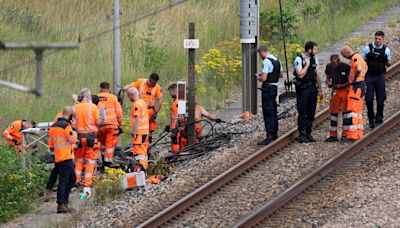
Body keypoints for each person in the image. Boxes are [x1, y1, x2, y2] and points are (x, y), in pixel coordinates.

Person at [48, 106, 78, 213]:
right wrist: (74, 128)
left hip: (58, 157)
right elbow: (73, 139)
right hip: (66, 157)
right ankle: (61, 204)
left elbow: (51, 145)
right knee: (65, 181)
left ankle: (64, 202)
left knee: (71, 179)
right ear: (69, 115)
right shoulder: (66, 126)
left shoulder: (53, 126)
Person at [293, 41, 324, 143]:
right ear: (309, 50)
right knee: (303, 111)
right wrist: (307, 65)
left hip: (312, 87)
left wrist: (320, 89)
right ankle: (302, 134)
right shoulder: (299, 59)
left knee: (311, 111)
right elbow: (300, 75)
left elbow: (317, 75)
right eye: (315, 49)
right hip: (303, 89)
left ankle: (308, 132)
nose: (316, 51)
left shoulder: (315, 59)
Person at [362, 31, 392, 129]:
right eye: (376, 38)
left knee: (380, 99)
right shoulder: (368, 48)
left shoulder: (386, 50)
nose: (377, 41)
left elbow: (389, 63)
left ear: (383, 39)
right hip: (369, 76)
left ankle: (379, 117)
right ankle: (371, 119)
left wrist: (385, 60)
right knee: (369, 99)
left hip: (379, 76)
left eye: (379, 39)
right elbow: (362, 60)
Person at [74, 88, 100, 196]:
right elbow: (98, 123)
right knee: (90, 161)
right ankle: (87, 183)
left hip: (79, 138)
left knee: (79, 160)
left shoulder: (75, 107)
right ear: (88, 96)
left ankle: (76, 180)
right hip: (91, 137)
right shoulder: (93, 107)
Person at [124, 73, 163, 143]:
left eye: (155, 83)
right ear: (149, 79)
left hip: (150, 110)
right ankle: (140, 140)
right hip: (140, 108)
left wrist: (156, 112)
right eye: (152, 83)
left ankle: (148, 144)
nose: (153, 85)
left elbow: (160, 101)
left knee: (149, 128)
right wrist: (123, 89)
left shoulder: (157, 87)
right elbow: (130, 85)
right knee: (139, 126)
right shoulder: (141, 82)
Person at [256, 45, 282, 145]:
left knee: (268, 111)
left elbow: (264, 78)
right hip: (275, 87)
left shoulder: (266, 61)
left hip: (267, 88)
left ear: (262, 52)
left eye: (260, 54)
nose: (260, 56)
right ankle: (275, 132)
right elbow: (281, 74)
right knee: (273, 109)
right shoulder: (276, 60)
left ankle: (269, 134)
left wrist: (259, 77)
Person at [341, 45, 368, 141]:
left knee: (352, 111)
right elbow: (365, 68)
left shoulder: (354, 58)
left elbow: (359, 69)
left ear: (347, 52)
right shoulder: (360, 57)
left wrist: (354, 79)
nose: (345, 58)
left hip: (356, 87)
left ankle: (352, 135)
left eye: (344, 56)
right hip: (361, 85)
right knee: (358, 112)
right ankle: (359, 133)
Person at [325, 54, 351, 142]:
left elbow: (350, 80)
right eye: (332, 63)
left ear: (339, 61)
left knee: (346, 113)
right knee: (333, 113)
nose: (333, 65)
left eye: (334, 63)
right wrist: (328, 82)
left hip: (344, 91)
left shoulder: (346, 67)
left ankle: (345, 135)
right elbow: (327, 77)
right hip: (335, 91)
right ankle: (333, 135)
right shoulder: (329, 67)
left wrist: (342, 85)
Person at [97, 82, 123, 166]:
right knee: (110, 145)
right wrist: (119, 124)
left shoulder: (96, 98)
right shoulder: (113, 98)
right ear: (109, 89)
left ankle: (102, 159)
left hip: (100, 126)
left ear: (100, 88)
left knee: (102, 144)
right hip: (112, 126)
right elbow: (119, 114)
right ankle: (107, 163)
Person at [127, 87, 150, 170]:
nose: (128, 98)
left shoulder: (136, 104)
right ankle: (144, 169)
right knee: (143, 153)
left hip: (139, 133)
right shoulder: (143, 102)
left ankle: (140, 171)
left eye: (128, 96)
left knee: (138, 153)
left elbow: (137, 119)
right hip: (145, 132)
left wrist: (134, 132)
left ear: (132, 95)